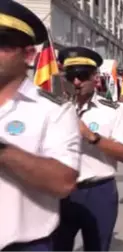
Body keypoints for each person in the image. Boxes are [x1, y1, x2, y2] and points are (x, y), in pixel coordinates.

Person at [0, 2, 81, 251]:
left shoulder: (54, 110)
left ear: (29, 55)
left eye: (3, 43)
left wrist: (3, 152)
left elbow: (64, 183)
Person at [53, 47, 123, 252]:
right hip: (62, 192)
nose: (77, 82)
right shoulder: (55, 109)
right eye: (71, 77)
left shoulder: (111, 111)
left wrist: (91, 136)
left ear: (94, 77)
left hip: (98, 192)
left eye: (81, 76)